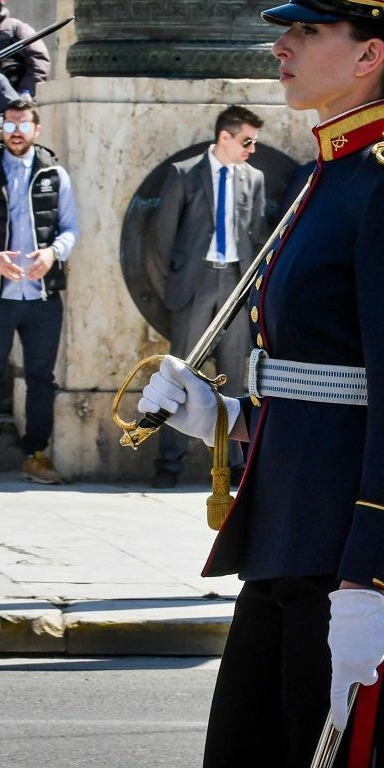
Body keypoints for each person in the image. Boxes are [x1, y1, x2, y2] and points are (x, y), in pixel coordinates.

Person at [136, 0, 384, 768]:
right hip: (293, 531)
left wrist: (372, 578)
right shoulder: (333, 172)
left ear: (368, 55)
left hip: (356, 552)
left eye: (309, 30)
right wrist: (223, 418)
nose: (282, 44)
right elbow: (325, 378)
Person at [0, 96, 80, 485]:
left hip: (41, 296)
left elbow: (70, 228)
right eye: (9, 125)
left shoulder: (54, 173)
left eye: (23, 125)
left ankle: (36, 455)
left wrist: (53, 253)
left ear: (36, 130)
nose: (16, 132)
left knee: (41, 378)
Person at [145, 105, 268, 489]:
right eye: (246, 141)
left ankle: (234, 464)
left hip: (235, 283)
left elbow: (257, 233)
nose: (251, 149)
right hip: (195, 283)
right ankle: (168, 462)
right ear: (224, 137)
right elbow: (162, 237)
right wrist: (175, 285)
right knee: (180, 373)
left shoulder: (254, 178)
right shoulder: (185, 174)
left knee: (235, 374)